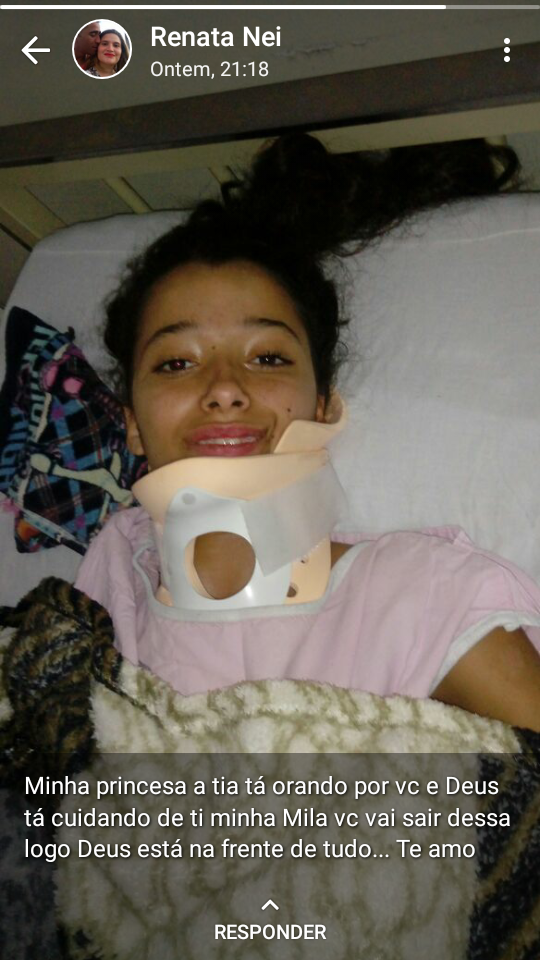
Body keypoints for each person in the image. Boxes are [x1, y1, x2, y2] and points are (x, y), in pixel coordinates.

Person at [69, 134, 540, 732]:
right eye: (176, 362)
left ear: (320, 407)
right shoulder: (109, 594)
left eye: (267, 358)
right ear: (133, 425)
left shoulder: (426, 598)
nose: (224, 388)